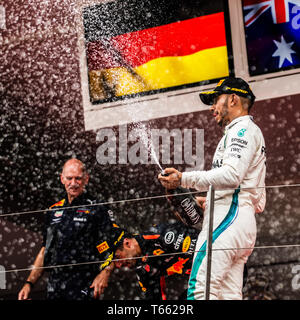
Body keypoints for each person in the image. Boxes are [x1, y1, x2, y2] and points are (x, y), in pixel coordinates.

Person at [158, 77, 266, 300]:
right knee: (228, 296)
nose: (212, 108)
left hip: (228, 220)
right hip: (239, 221)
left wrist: (183, 179)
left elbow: (232, 176)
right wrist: (209, 200)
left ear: (233, 99)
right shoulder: (247, 130)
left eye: (216, 100)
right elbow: (250, 191)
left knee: (200, 291)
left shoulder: (242, 129)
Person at [18, 159, 117, 300]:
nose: (73, 183)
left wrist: (105, 273)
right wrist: (29, 283)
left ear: (86, 179)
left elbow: (113, 246)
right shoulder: (53, 211)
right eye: (69, 178)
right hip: (55, 286)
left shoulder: (98, 208)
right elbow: (45, 250)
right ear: (62, 179)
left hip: (85, 285)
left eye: (78, 178)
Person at [113, 222, 200, 300]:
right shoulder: (141, 268)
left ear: (127, 244)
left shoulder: (159, 234)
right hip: (200, 276)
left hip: (208, 262)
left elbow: (203, 249)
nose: (118, 265)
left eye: (118, 257)